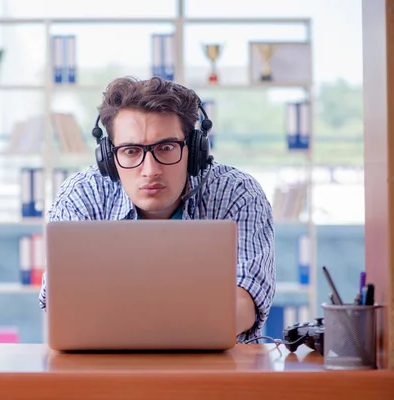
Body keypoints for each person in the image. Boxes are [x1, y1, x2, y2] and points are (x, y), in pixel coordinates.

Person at [38, 76, 276, 343]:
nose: (150, 171)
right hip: (104, 371)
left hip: (215, 373)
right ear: (107, 156)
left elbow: (245, 303)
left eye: (166, 148)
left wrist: (128, 325)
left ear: (195, 150)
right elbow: (62, 308)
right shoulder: (81, 195)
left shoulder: (237, 192)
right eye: (130, 151)